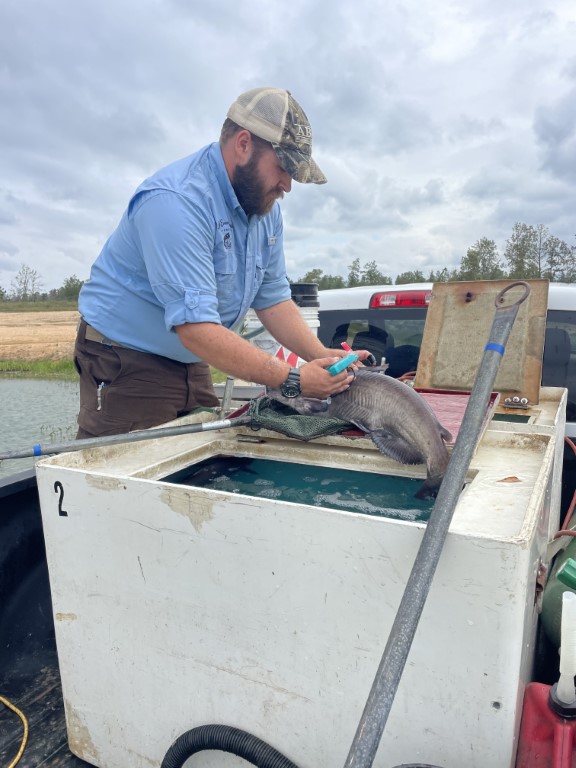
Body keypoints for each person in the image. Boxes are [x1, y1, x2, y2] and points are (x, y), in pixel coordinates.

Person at [74, 86, 369, 438]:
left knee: (199, 463)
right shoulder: (176, 203)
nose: (287, 185)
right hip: (125, 358)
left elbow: (273, 299)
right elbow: (196, 329)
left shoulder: (263, 209)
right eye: (283, 168)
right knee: (119, 475)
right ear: (243, 144)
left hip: (190, 355)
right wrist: (293, 379)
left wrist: (320, 355)